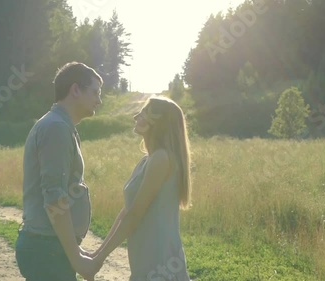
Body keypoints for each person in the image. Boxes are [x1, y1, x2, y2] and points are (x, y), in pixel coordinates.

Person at [15, 61, 103, 281]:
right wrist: (76, 258)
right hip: (47, 250)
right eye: (95, 92)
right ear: (75, 90)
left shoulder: (62, 126)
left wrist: (75, 252)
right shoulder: (56, 128)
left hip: (50, 248)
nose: (99, 100)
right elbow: (54, 198)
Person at [90, 96, 192, 281]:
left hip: (159, 258)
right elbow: (127, 211)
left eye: (143, 113)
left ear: (157, 123)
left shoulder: (161, 159)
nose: (136, 117)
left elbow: (135, 215)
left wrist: (98, 260)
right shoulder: (148, 160)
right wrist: (97, 255)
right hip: (145, 254)